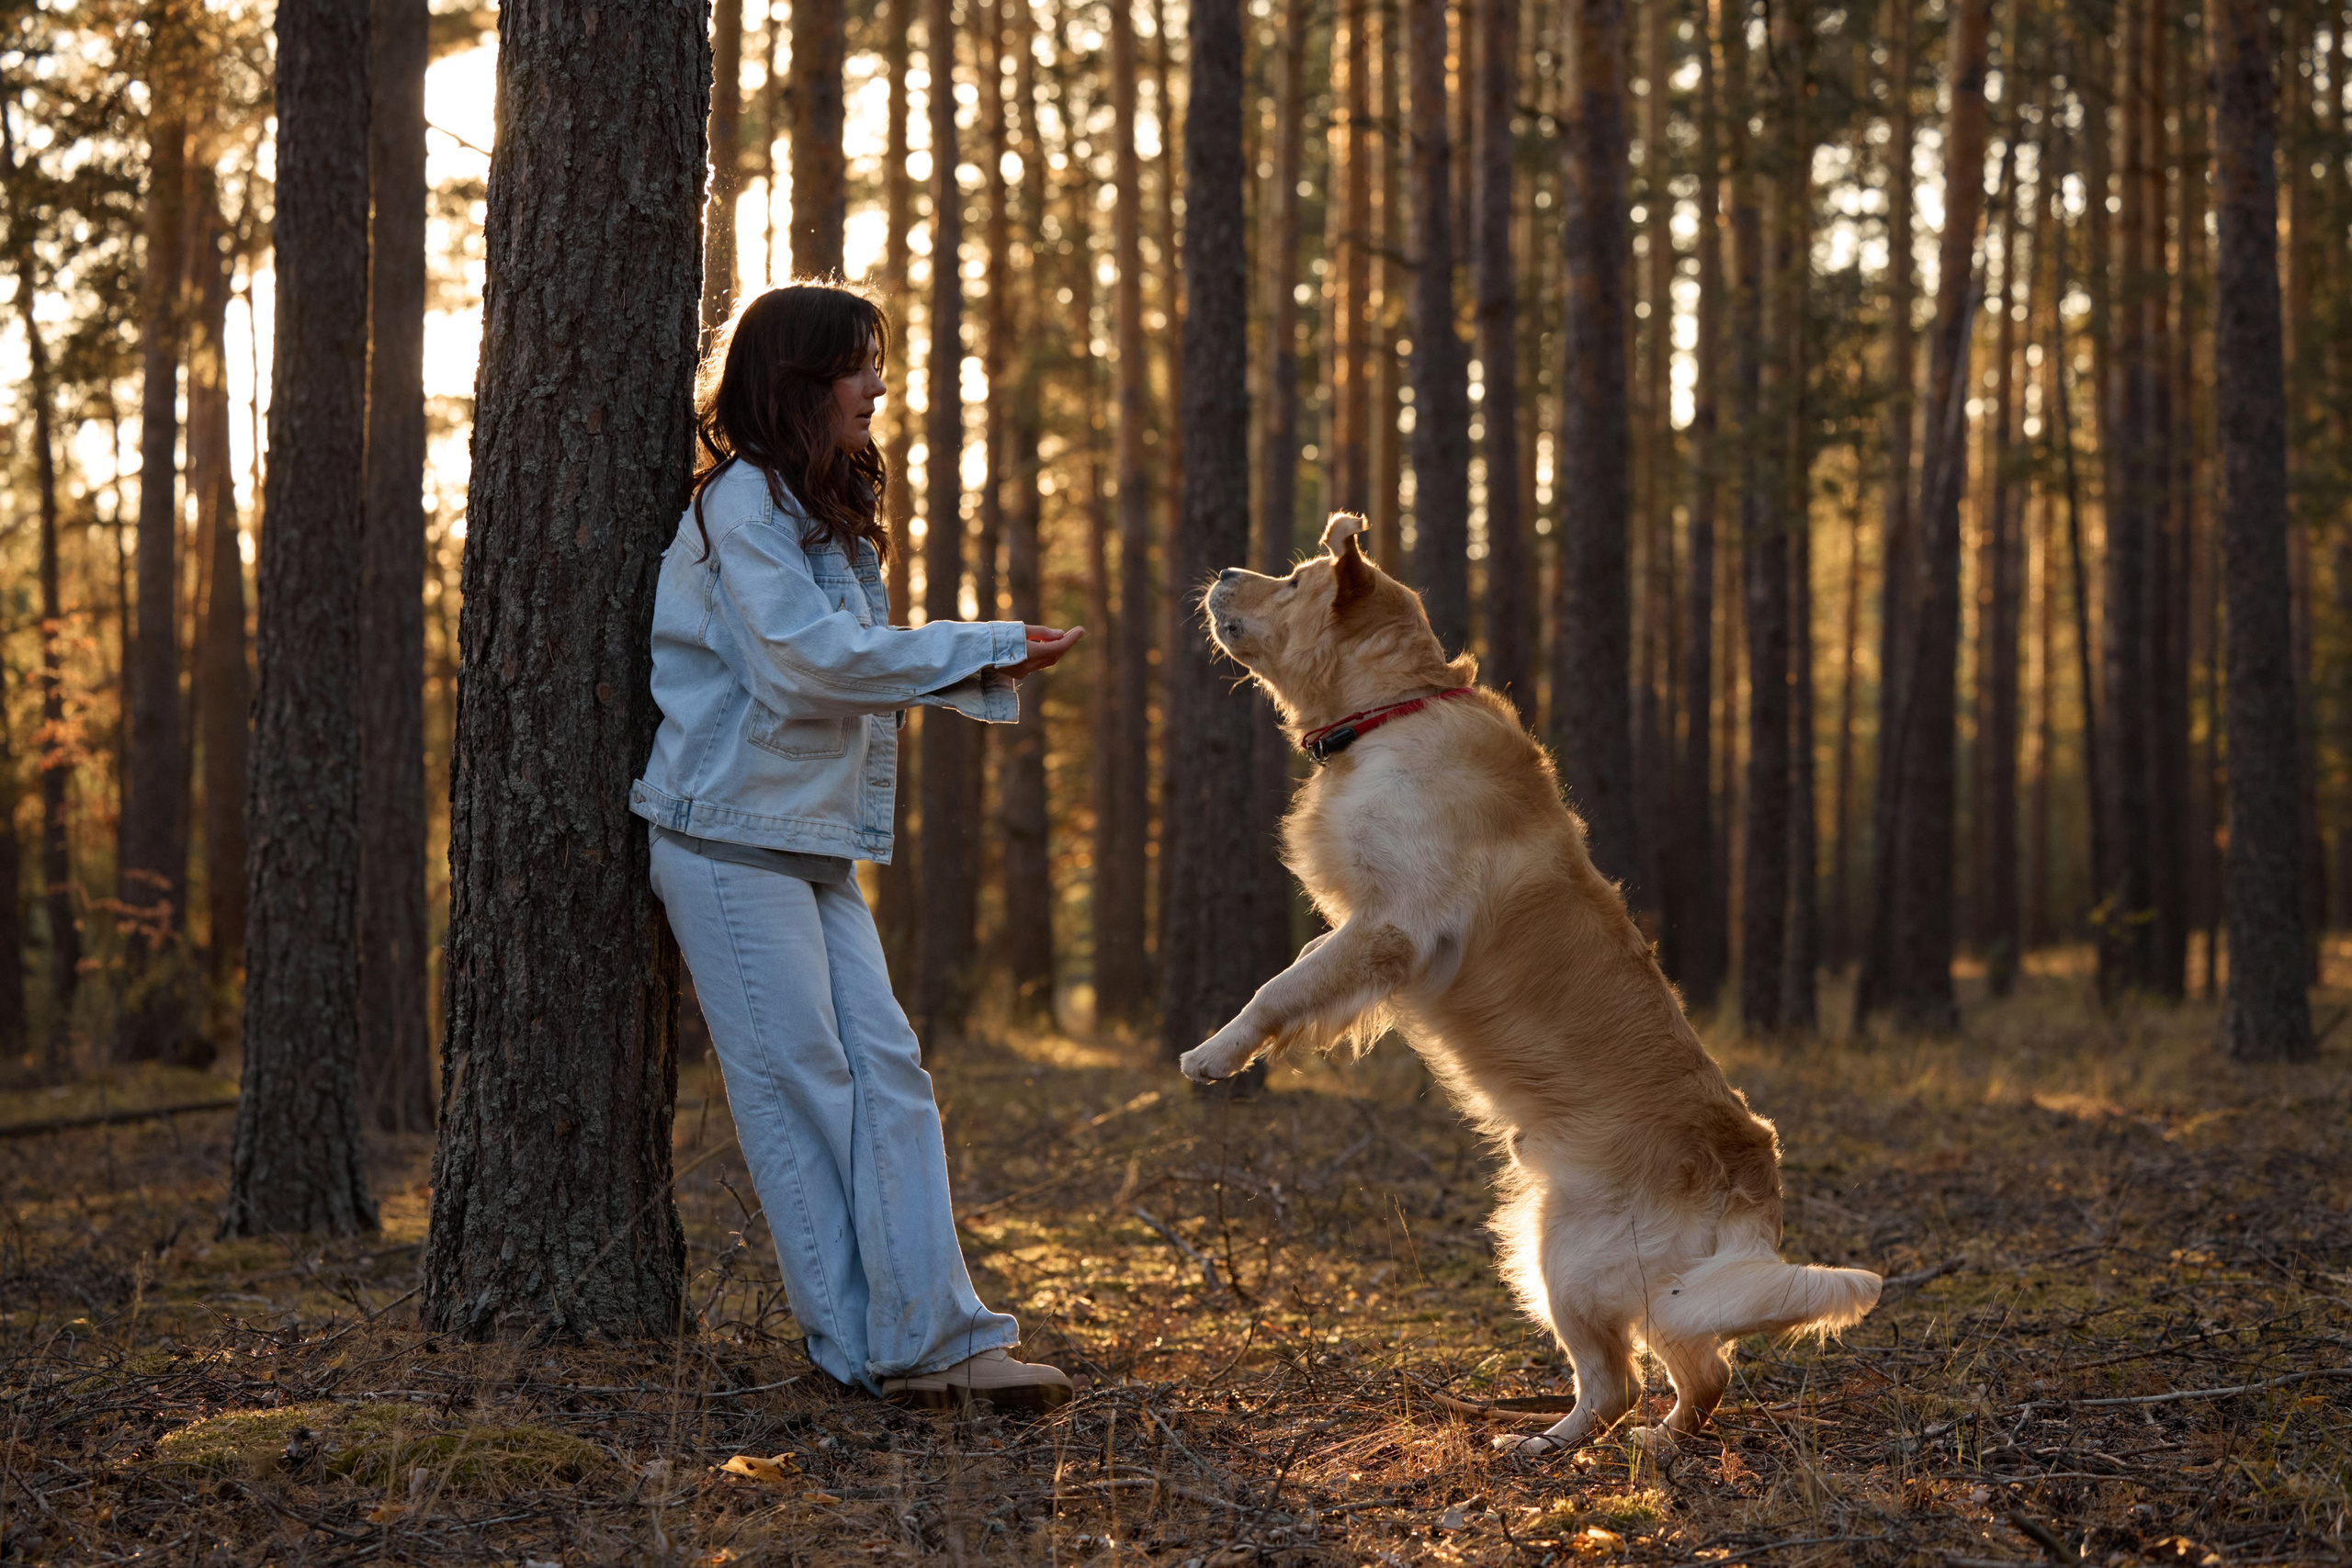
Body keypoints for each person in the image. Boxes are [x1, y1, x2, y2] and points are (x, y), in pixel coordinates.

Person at [630, 283, 1084, 1411]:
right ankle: (859, 1352)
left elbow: (834, 657)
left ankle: (938, 1335)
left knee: (887, 1077)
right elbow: (809, 664)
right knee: (803, 1093)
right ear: (796, 382)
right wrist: (975, 646)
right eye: (856, 367)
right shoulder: (739, 504)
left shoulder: (800, 507)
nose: (875, 386)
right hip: (723, 838)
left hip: (801, 840)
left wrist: (980, 660)